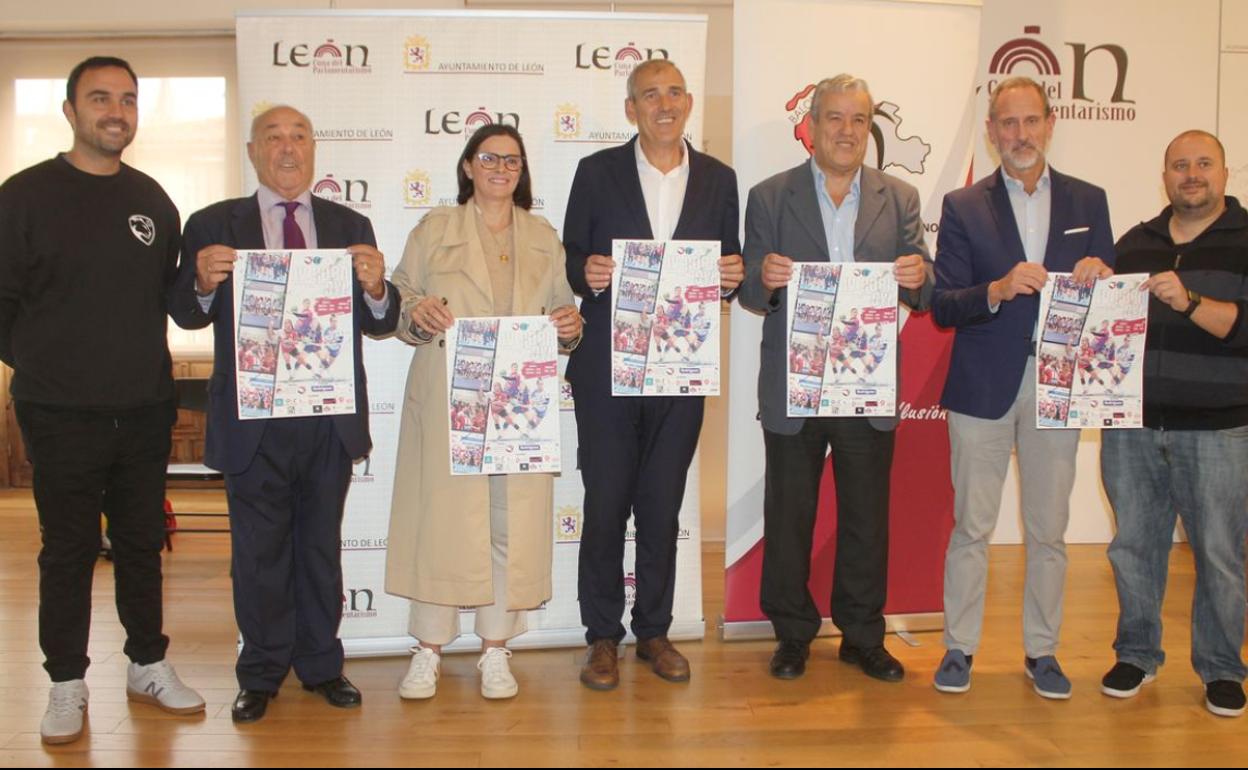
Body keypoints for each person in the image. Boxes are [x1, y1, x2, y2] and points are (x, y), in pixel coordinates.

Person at [169, 104, 399, 722]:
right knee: (258, 554)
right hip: (252, 422)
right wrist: (202, 282)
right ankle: (262, 672)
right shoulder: (213, 224)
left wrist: (377, 288)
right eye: (274, 137)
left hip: (327, 419)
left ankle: (323, 667)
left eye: (299, 136)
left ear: (314, 149)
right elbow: (186, 314)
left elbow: (382, 321)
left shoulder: (350, 224)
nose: (288, 147)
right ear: (253, 152)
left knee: (321, 550)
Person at [0, 55, 204, 745]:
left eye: (126, 98)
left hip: (144, 406)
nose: (115, 111)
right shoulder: (23, 196)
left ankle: (147, 664)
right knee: (68, 550)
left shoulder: (152, 200)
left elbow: (173, 303)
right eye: (98, 98)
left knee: (143, 543)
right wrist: (46, 366)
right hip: (58, 412)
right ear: (69, 111)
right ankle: (65, 682)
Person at [738, 74, 932, 683]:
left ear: (868, 129)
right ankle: (792, 635)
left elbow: (927, 290)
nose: (847, 131)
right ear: (813, 126)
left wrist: (915, 276)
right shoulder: (769, 196)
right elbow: (745, 290)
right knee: (790, 512)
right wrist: (763, 278)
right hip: (795, 385)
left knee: (866, 518)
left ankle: (862, 636)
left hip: (866, 384)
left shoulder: (899, 197)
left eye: (858, 120)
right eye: (835, 118)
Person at [563, 58, 743, 690]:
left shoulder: (720, 179)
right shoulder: (596, 173)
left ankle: (655, 631)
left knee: (662, 506)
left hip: (680, 368)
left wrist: (733, 275)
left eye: (672, 93)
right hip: (606, 367)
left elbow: (729, 265)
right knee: (607, 503)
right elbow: (569, 255)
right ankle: (602, 638)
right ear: (631, 108)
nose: (663, 104)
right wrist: (584, 270)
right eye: (649, 95)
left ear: (688, 102)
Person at [385, 124, 583, 700]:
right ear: (468, 166)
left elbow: (563, 307)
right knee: (443, 524)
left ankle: (496, 649)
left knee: (508, 520)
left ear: (523, 172)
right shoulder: (434, 228)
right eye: (489, 157)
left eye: (513, 160)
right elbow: (399, 294)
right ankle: (427, 650)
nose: (501, 167)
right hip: (451, 392)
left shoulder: (543, 235)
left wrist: (571, 326)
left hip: (520, 396)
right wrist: (416, 310)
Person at [931, 76, 1114, 699]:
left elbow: (1110, 298)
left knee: (1048, 529)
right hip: (983, 386)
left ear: (1050, 122)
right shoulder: (963, 206)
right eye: (1007, 124)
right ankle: (959, 648)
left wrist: (1101, 275)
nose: (1019, 135)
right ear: (991, 131)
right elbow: (943, 304)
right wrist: (997, 290)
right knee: (971, 526)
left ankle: (1043, 652)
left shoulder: (1090, 201)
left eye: (1030, 121)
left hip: (1062, 385)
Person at [1100, 130, 1248, 718]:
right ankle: (1136, 653)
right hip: (1132, 426)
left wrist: (1187, 301)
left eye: (1203, 164)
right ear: (1164, 176)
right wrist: (1094, 278)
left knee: (1218, 553)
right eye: (1179, 165)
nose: (1191, 174)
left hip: (1218, 430)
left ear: (1225, 173)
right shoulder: (1137, 242)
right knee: (1133, 548)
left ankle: (1221, 668)